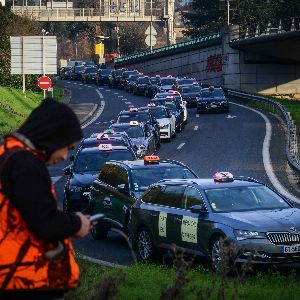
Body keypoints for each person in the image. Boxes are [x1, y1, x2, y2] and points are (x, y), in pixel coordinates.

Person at [0, 98, 92, 299]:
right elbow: (44, 221)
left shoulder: (8, 154)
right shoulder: (25, 164)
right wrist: (77, 223)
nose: (66, 156)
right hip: (23, 280)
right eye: (67, 146)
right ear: (53, 137)